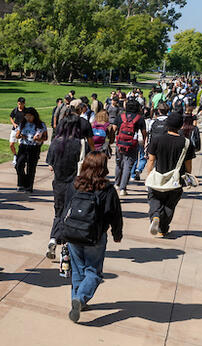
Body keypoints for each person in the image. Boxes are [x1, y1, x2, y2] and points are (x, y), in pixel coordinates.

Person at [65, 151, 123, 322]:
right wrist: (117, 233)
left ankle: (77, 300)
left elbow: (65, 209)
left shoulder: (75, 184)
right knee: (93, 272)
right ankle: (80, 298)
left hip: (73, 234)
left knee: (77, 269)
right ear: (103, 168)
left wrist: (61, 231)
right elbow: (115, 214)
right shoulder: (107, 189)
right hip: (95, 236)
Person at [141, 112, 196, 238]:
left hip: (158, 175)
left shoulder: (157, 139)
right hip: (176, 180)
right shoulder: (186, 143)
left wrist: (149, 174)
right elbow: (188, 164)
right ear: (181, 126)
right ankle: (162, 229)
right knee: (169, 205)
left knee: (154, 198)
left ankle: (155, 216)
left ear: (166, 125)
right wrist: (188, 175)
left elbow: (151, 160)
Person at [46, 117, 85, 259]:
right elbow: (81, 163)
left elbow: (50, 166)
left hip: (59, 182)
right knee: (69, 216)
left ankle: (53, 239)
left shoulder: (55, 142)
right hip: (73, 183)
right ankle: (65, 248)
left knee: (58, 213)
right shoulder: (79, 143)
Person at [112, 100, 146, 195]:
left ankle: (117, 183)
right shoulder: (139, 118)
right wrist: (144, 142)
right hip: (131, 145)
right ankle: (123, 188)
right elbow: (144, 133)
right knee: (128, 165)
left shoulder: (120, 116)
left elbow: (113, 129)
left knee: (119, 163)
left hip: (119, 143)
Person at [14, 108, 47, 193]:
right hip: (23, 146)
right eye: (26, 116)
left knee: (31, 168)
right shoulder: (23, 123)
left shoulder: (41, 125)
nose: (28, 118)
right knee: (19, 165)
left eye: (29, 116)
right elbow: (17, 135)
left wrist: (39, 139)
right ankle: (22, 182)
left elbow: (45, 137)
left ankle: (29, 186)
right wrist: (21, 135)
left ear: (34, 116)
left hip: (34, 147)